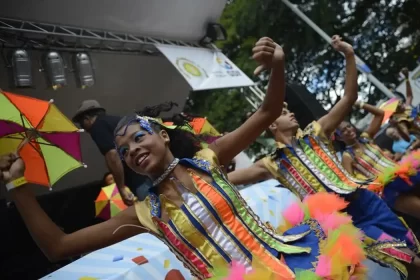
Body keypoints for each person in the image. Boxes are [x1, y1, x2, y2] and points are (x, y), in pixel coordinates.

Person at [0, 37, 365, 280]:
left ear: (162, 135)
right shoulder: (144, 213)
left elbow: (268, 111)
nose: (132, 150)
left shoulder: (209, 160)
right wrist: (18, 185)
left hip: (292, 266)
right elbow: (57, 247)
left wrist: (278, 65)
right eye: (123, 151)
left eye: (138, 138)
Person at [228, 36, 420, 279]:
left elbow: (348, 98)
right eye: (284, 113)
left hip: (368, 202)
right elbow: (225, 179)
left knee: (411, 256)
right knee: (408, 260)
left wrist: (349, 55)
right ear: (271, 124)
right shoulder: (270, 164)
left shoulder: (316, 133)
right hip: (349, 223)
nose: (291, 114)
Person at [337, 101, 420, 222]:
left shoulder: (366, 138)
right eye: (343, 131)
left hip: (405, 175)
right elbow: (351, 185)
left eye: (349, 126)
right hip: (389, 190)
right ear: (339, 137)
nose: (348, 130)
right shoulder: (347, 156)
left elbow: (380, 114)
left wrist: (358, 103)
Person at [72, 100, 151, 204]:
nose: (84, 129)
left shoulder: (97, 127)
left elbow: (113, 156)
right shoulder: (117, 120)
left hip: (140, 180)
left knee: (157, 214)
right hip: (150, 172)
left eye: (82, 124)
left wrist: (121, 188)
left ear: (87, 118)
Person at [389, 67, 419, 141]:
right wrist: (397, 127)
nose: (402, 104)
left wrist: (406, 78)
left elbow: (409, 96)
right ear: (395, 111)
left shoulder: (406, 108)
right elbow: (407, 139)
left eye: (401, 103)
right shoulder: (401, 122)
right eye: (399, 106)